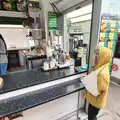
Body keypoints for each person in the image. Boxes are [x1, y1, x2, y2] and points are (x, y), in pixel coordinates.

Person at [84, 46, 113, 120]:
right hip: (95, 101)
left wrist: (88, 86)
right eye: (95, 55)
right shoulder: (100, 68)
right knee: (92, 116)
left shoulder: (102, 73)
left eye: (97, 56)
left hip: (96, 102)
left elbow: (98, 90)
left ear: (102, 58)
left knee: (91, 117)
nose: (94, 57)